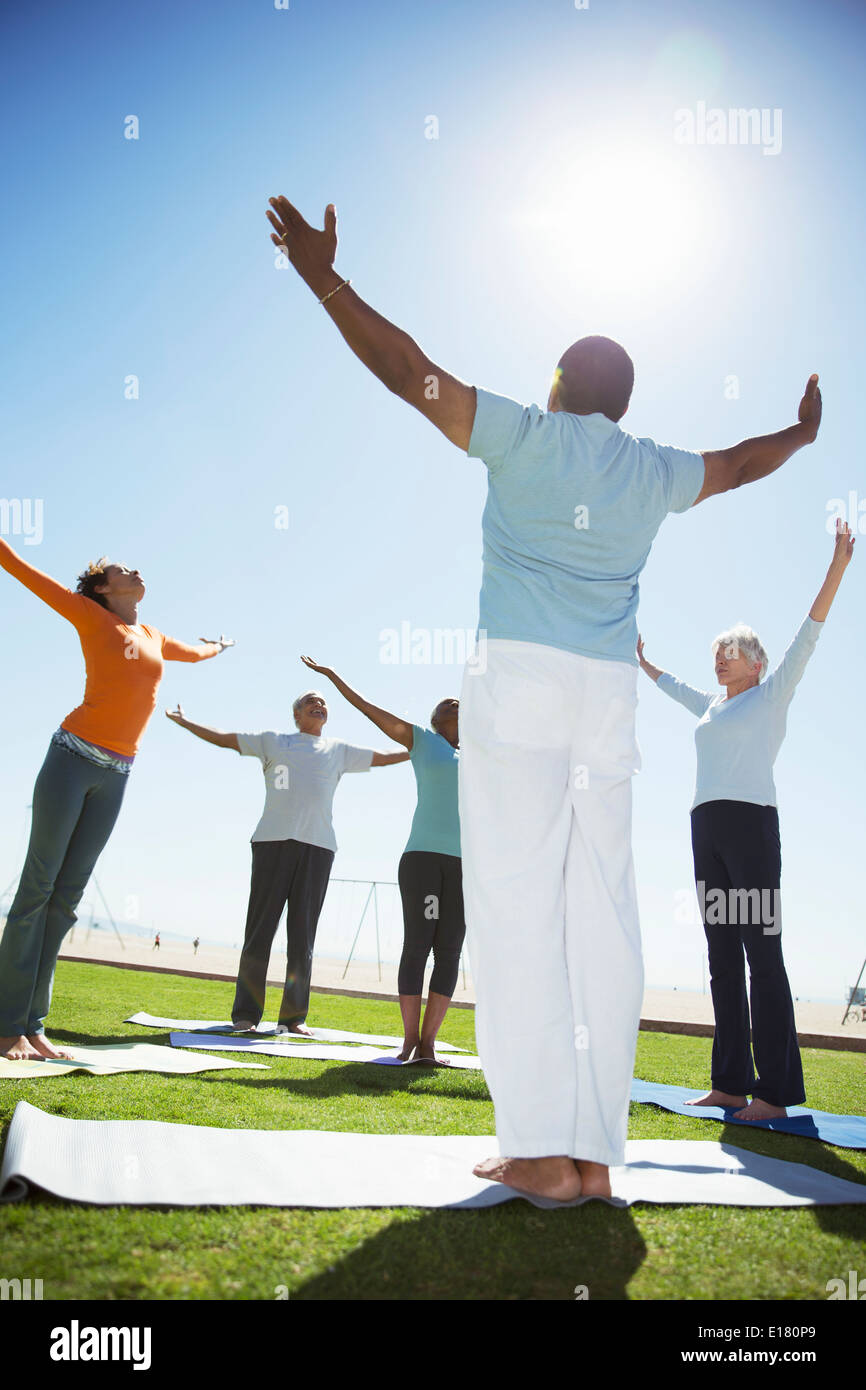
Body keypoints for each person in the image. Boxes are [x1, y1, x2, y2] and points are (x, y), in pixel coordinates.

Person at [265, 193, 823, 1198]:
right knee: (600, 916)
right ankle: (592, 1158)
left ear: (559, 382)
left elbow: (409, 372)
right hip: (603, 700)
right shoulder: (652, 469)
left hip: (519, 687)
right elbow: (740, 464)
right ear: (619, 400)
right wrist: (802, 431)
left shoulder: (520, 433)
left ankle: (535, 1151)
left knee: (519, 913)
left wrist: (322, 278)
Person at [637, 520, 853, 1121]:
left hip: (752, 829)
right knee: (722, 959)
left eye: (729, 655)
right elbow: (678, 688)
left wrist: (837, 564)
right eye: (716, 657)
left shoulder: (772, 692)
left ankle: (776, 1092)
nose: (719, 663)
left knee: (763, 955)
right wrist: (645, 665)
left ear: (755, 663)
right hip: (706, 829)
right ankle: (731, 1083)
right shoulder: (710, 707)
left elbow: (809, 634)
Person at [0, 541, 231, 1061]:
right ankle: (5, 1023)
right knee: (36, 890)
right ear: (104, 587)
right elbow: (21, 570)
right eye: (122, 569)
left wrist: (219, 646)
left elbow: (192, 653)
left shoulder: (151, 634)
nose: (135, 569)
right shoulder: (88, 615)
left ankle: (33, 1024)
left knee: (65, 901)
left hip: (117, 773)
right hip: (71, 758)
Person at [167, 691, 408, 1034]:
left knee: (302, 937)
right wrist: (186, 721)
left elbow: (384, 757)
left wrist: (420, 750)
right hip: (272, 843)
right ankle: (246, 1016)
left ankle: (293, 1019)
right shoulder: (273, 741)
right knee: (259, 932)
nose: (319, 704)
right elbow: (223, 739)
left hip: (318, 847)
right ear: (296, 715)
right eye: (311, 701)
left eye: (323, 702)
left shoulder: (338, 751)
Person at [301, 656, 462, 1064]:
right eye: (448, 704)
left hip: (464, 866)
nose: (455, 704)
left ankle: (429, 1043)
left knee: (450, 951)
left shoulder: (482, 754)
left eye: (461, 703)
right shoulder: (423, 741)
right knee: (418, 945)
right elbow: (369, 709)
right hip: (423, 858)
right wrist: (333, 675)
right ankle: (410, 1039)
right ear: (435, 718)